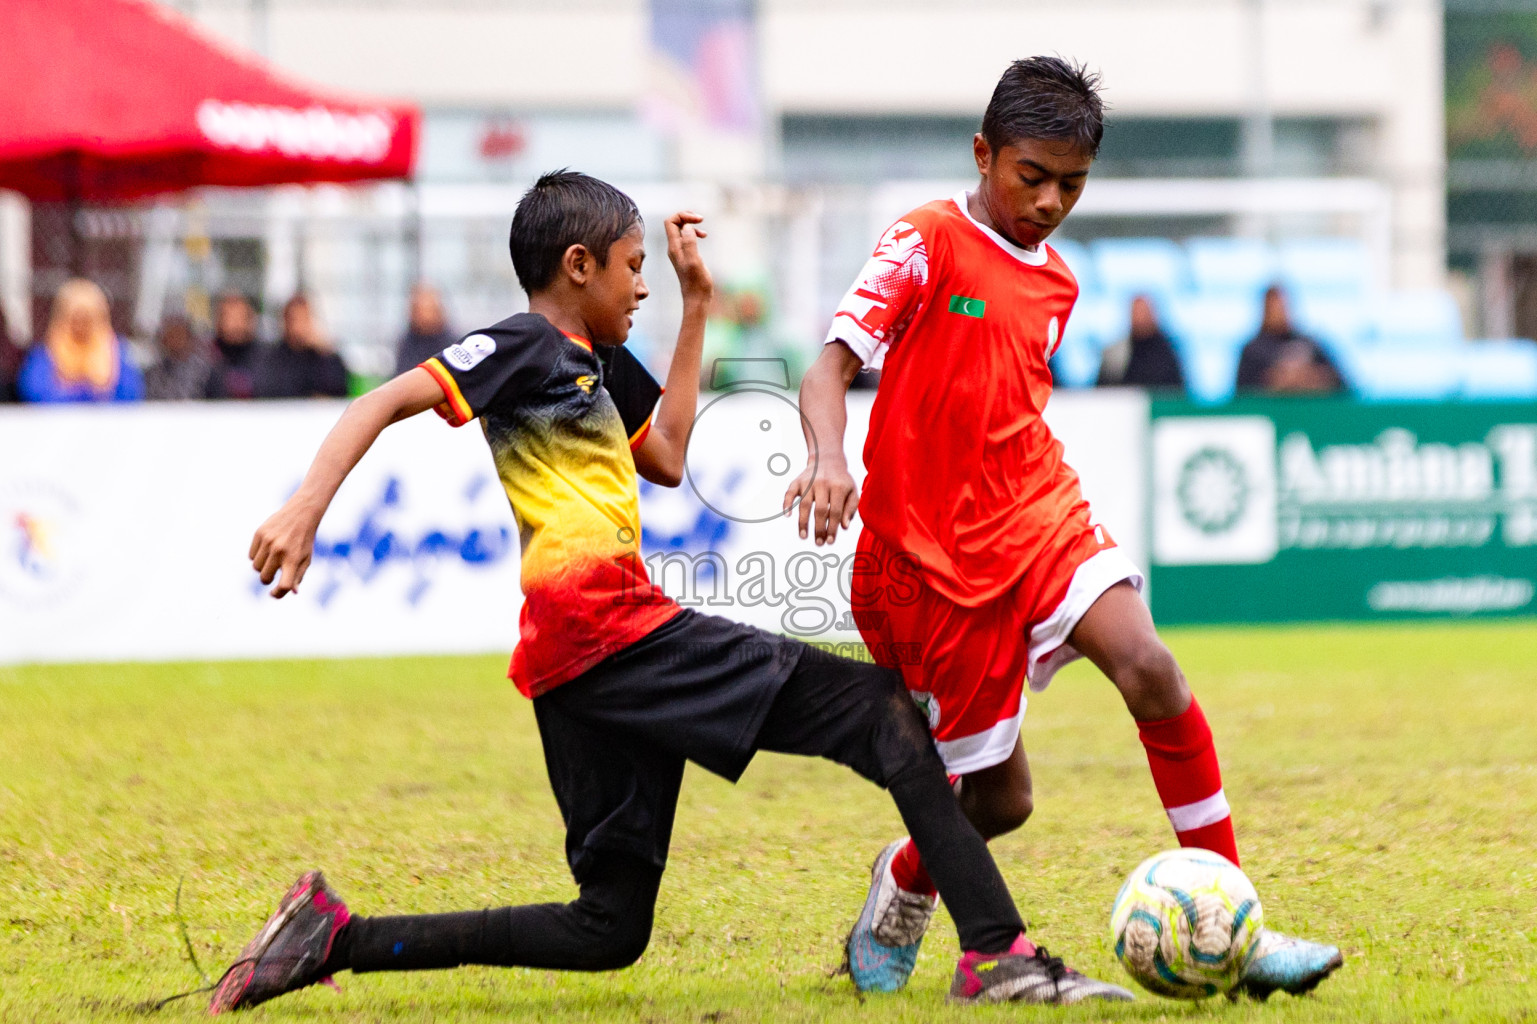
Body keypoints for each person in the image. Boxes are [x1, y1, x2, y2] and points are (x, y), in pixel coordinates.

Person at [209, 171, 1132, 1013]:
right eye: (632, 268)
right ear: (577, 267)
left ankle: (331, 938)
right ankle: (996, 953)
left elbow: (667, 455)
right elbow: (384, 399)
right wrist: (305, 508)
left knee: (608, 928)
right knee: (883, 714)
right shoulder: (524, 343)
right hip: (608, 631)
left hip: (578, 665)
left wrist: (694, 306)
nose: (641, 285)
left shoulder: (598, 360)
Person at [787, 57, 1342, 999]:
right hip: (926, 559)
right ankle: (905, 878)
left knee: (1151, 667)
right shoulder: (924, 240)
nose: (1048, 203)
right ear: (983, 153)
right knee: (1000, 801)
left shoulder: (1059, 282)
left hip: (1038, 513)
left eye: (1071, 185)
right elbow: (827, 369)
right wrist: (830, 458)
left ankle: (1237, 921)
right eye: (1030, 177)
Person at [17, 278, 144, 403]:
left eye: (88, 319)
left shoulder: (118, 353)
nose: (81, 326)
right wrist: (88, 389)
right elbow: (36, 394)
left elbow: (131, 394)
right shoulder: (44, 355)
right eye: (75, 318)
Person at [1236, 285, 1345, 394]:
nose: (1279, 312)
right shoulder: (1252, 351)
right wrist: (1276, 380)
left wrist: (1309, 377)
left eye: (1282, 306)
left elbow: (1342, 383)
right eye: (1274, 307)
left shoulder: (1310, 345)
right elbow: (1242, 392)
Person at [255, 294, 350, 399]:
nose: (300, 325)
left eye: (305, 318)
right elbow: (271, 389)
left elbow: (339, 389)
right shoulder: (272, 357)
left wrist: (326, 352)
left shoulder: (323, 355)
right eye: (295, 319)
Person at [1096, 294, 1185, 392]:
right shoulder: (1117, 352)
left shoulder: (1168, 352)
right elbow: (1102, 390)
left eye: (1143, 312)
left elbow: (1176, 389)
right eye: (1136, 312)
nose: (1139, 317)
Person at [144, 313, 220, 401]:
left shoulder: (206, 373)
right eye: (170, 335)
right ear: (163, 340)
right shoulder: (151, 374)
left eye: (180, 334)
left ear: (190, 339)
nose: (175, 340)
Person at [393, 282, 456, 377]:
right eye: (420, 309)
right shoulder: (406, 345)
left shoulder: (452, 345)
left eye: (428, 309)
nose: (424, 315)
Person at [211, 291, 263, 400]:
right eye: (228, 318)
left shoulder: (267, 359)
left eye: (238, 318)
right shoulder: (206, 359)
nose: (233, 324)